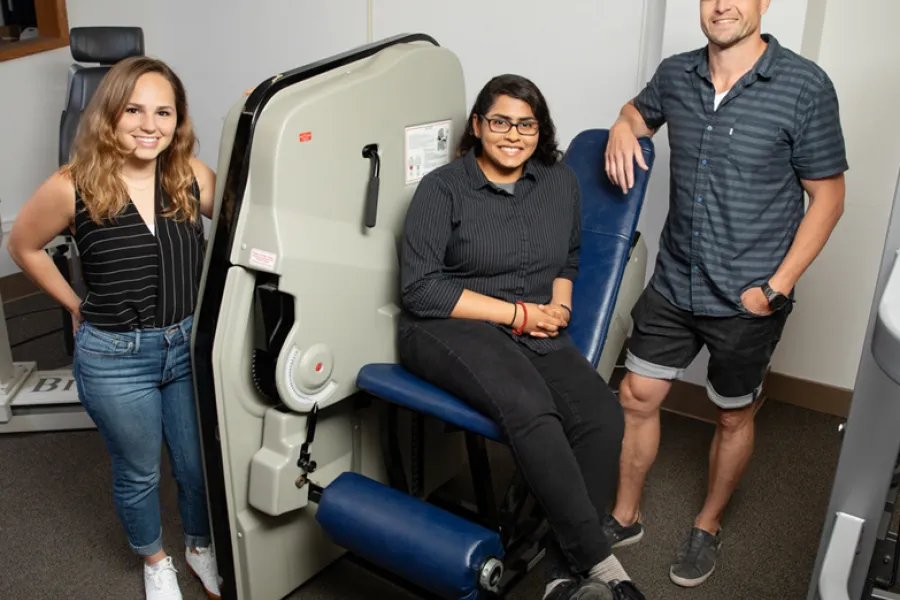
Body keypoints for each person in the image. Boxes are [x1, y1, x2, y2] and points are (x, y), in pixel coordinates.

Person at [602, 0, 848, 588]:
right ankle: (624, 515)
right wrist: (621, 124)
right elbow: (638, 112)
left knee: (732, 416)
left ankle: (707, 525)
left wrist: (775, 287)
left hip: (748, 293)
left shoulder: (805, 86)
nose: (723, 5)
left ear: (764, 3)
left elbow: (830, 197)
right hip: (675, 276)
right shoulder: (676, 74)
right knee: (636, 395)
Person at [397, 74, 646, 600]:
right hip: (450, 327)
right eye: (500, 121)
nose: (513, 134)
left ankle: (560, 576)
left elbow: (570, 258)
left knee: (601, 416)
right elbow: (421, 290)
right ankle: (602, 567)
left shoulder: (559, 184)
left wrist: (559, 305)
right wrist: (518, 315)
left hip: (533, 325)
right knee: (532, 406)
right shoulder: (442, 189)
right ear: (478, 126)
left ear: (541, 129)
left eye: (526, 123)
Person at [8, 56, 221, 600]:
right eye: (134, 109)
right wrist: (75, 304)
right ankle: (155, 560)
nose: (150, 125)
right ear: (110, 114)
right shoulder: (71, 185)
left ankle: (199, 545)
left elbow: (250, 219)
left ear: (179, 120)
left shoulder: (193, 177)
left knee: (197, 467)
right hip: (115, 357)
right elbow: (24, 247)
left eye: (164, 112)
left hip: (187, 344)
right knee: (139, 471)